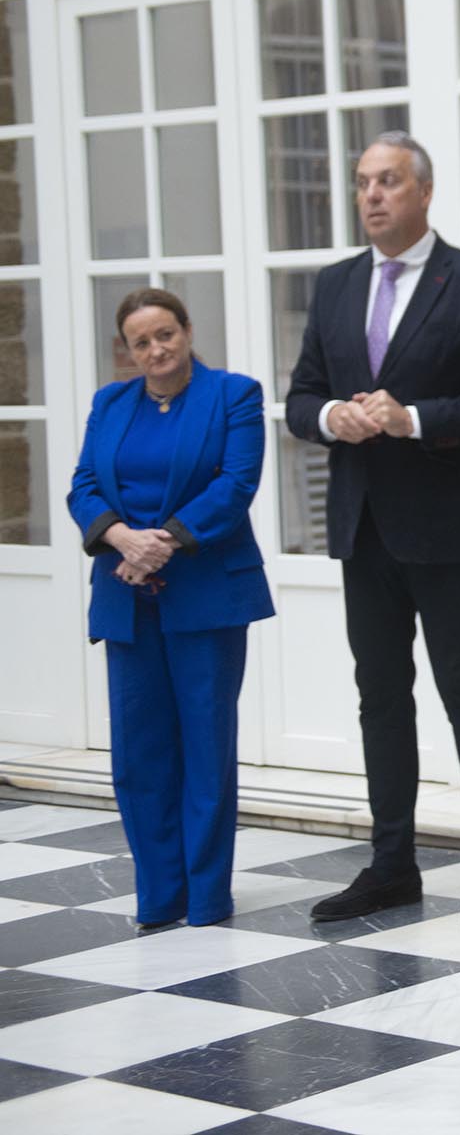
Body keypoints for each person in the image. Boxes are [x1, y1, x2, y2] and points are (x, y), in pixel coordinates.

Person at [285, 132, 460, 927]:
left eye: (388, 181)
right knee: (379, 697)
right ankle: (391, 865)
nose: (372, 196)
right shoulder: (332, 287)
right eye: (362, 182)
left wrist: (413, 418)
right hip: (362, 526)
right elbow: (300, 399)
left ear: (423, 192)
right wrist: (333, 417)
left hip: (449, 528)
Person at [66, 288, 274, 930]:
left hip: (206, 594)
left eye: (165, 335)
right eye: (141, 342)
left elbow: (235, 485)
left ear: (187, 330)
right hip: (124, 594)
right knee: (139, 753)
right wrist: (120, 536)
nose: (156, 350)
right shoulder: (110, 402)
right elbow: (83, 486)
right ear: (125, 352)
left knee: (205, 747)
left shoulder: (233, 395)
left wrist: (162, 543)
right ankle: (159, 894)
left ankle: (207, 896)